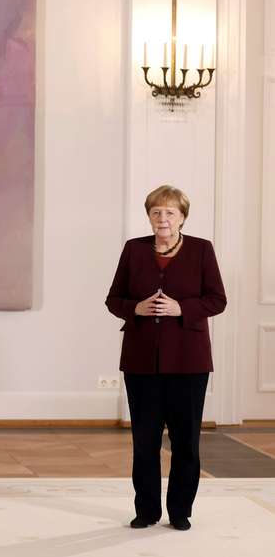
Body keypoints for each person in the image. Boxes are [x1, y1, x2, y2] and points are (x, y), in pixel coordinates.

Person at [106, 184, 226, 532]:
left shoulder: (202, 250)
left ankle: (179, 511)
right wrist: (136, 308)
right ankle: (146, 510)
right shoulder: (134, 250)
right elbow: (114, 299)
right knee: (144, 440)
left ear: (182, 217)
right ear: (149, 216)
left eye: (170, 212)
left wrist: (181, 308)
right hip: (141, 361)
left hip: (189, 362)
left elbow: (217, 300)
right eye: (156, 212)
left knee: (185, 440)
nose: (163, 218)